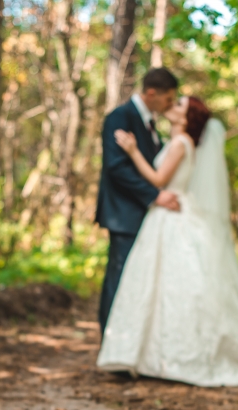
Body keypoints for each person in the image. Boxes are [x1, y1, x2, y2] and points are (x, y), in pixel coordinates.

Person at [96, 95, 238, 387]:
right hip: (165, 217)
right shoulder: (176, 141)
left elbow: (158, 179)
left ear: (188, 117)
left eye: (179, 105)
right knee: (160, 285)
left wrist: (132, 151)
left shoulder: (181, 143)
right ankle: (153, 354)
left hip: (171, 216)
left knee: (173, 284)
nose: (172, 106)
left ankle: (176, 355)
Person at [95, 68, 181, 335]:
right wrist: (155, 196)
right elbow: (116, 167)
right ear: (152, 93)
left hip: (145, 216)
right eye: (168, 99)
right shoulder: (120, 117)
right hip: (124, 215)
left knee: (138, 280)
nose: (170, 105)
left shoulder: (150, 123)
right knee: (120, 279)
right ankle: (110, 339)